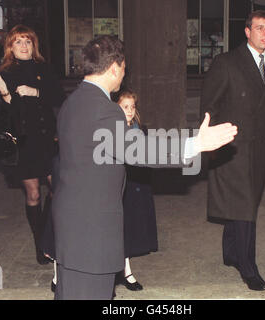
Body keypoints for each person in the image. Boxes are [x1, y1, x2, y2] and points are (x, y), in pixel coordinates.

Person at [52, 35, 238, 300]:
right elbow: (138, 149)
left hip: (71, 226)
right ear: (114, 67)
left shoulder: (72, 102)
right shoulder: (105, 110)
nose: (124, 75)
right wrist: (194, 144)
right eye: (124, 68)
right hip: (91, 233)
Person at [200, 10, 265, 291]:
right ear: (247, 32)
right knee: (245, 208)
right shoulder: (226, 63)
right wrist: (210, 141)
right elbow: (210, 105)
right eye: (259, 28)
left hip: (260, 149)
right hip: (233, 146)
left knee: (246, 201)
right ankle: (248, 267)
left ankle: (230, 252)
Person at [0, 25, 66, 265]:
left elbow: (59, 97)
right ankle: (39, 243)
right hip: (23, 142)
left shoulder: (44, 68)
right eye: (18, 42)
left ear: (34, 45)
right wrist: (3, 93)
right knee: (33, 193)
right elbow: (5, 115)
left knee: (58, 189)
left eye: (28, 42)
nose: (24, 46)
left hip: (47, 139)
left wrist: (36, 91)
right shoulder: (5, 73)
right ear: (10, 47)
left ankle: (48, 235)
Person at [114, 89, 158, 291]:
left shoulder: (137, 127)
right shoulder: (113, 127)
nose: (130, 111)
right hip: (115, 183)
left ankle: (126, 271)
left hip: (132, 183)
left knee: (127, 227)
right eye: (125, 107)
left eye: (132, 107)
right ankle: (114, 273)